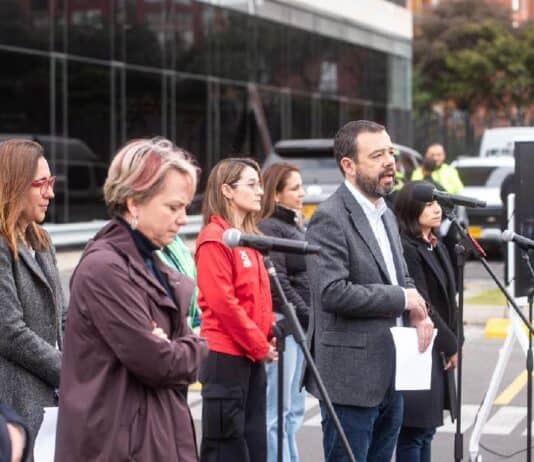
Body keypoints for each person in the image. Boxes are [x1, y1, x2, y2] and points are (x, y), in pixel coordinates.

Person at [55, 138, 208, 461]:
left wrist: (183, 343)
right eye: (173, 207)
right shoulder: (104, 269)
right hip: (121, 445)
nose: (182, 219)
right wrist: (191, 344)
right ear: (134, 203)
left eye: (186, 208)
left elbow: (174, 353)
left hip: (152, 436)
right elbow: (159, 363)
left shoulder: (152, 263)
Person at [304, 120, 434, 462]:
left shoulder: (385, 214)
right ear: (349, 165)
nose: (390, 161)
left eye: (390, 152)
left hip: (391, 374)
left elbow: (400, 275)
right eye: (377, 155)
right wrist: (402, 298)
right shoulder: (329, 218)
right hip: (350, 380)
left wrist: (416, 307)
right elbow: (332, 292)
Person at [196, 158, 277, 462]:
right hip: (226, 357)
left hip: (252, 355)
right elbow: (224, 304)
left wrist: (269, 334)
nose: (260, 191)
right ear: (227, 190)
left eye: (260, 184)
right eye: (252, 184)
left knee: (254, 445)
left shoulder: (247, 239)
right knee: (226, 448)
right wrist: (260, 345)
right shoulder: (214, 239)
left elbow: (260, 299)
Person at [0, 139, 66, 462]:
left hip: (53, 403)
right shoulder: (1, 245)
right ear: (13, 185)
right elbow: (9, 332)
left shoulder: (41, 240)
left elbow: (63, 317)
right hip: (16, 404)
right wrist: (69, 371)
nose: (50, 193)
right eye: (41, 183)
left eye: (51, 183)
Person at [393, 181, 458, 462]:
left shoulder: (436, 244)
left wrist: (456, 338)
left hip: (438, 344)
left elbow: (450, 297)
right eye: (429, 204)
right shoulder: (407, 247)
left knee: (427, 430)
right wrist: (449, 342)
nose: (436, 209)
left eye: (437, 203)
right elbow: (421, 300)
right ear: (411, 208)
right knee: (414, 430)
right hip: (419, 343)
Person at [258, 162, 309, 462]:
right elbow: (279, 284)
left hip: (299, 324)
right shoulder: (270, 228)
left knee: (294, 409)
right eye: (295, 188)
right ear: (276, 195)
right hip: (286, 324)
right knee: (277, 411)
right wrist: (304, 315)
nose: (302, 193)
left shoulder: (292, 225)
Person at [158, 233, 202, 329]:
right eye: (171, 216)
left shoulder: (176, 243)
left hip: (192, 331)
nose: (183, 220)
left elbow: (196, 297)